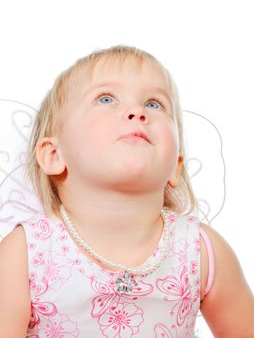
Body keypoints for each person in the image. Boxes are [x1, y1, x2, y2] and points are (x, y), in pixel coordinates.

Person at [0, 45, 253, 338]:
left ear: (176, 168)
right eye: (106, 99)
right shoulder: (25, 254)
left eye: (155, 104)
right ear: (54, 154)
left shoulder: (201, 251)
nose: (138, 111)